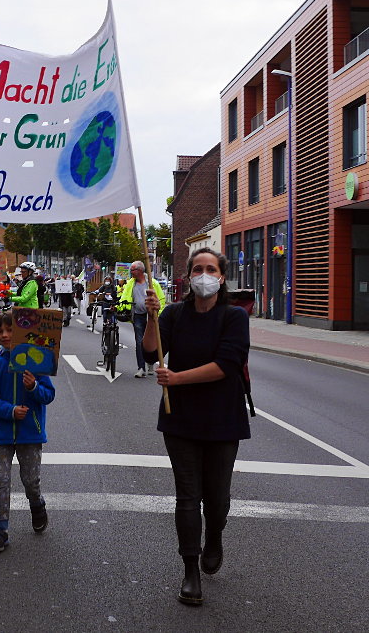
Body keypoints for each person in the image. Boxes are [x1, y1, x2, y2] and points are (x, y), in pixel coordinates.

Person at [142, 248, 250, 607]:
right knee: (187, 496)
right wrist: (151, 319)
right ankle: (190, 571)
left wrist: (176, 378)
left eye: (211, 269)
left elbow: (227, 365)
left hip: (223, 418)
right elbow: (150, 353)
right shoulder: (174, 314)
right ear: (188, 277)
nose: (204, 275)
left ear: (221, 276)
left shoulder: (234, 317)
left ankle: (215, 534)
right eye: (198, 269)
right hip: (181, 419)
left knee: (216, 499)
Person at [0, 312, 55, 552]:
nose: (4, 335)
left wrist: (33, 386)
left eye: (9, 330)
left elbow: (48, 395)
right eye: (0, 331)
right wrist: (10, 411)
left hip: (30, 434)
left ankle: (37, 504)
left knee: (30, 480)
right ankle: (0, 529)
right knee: (1, 480)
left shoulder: (37, 363)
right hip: (2, 433)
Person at [122, 261, 165, 377]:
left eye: (133, 270)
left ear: (140, 271)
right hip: (138, 315)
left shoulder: (152, 283)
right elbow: (124, 297)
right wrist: (120, 307)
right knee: (139, 341)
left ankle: (150, 363)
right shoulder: (131, 284)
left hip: (150, 316)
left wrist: (157, 314)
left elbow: (160, 299)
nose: (131, 272)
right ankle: (141, 368)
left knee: (151, 341)